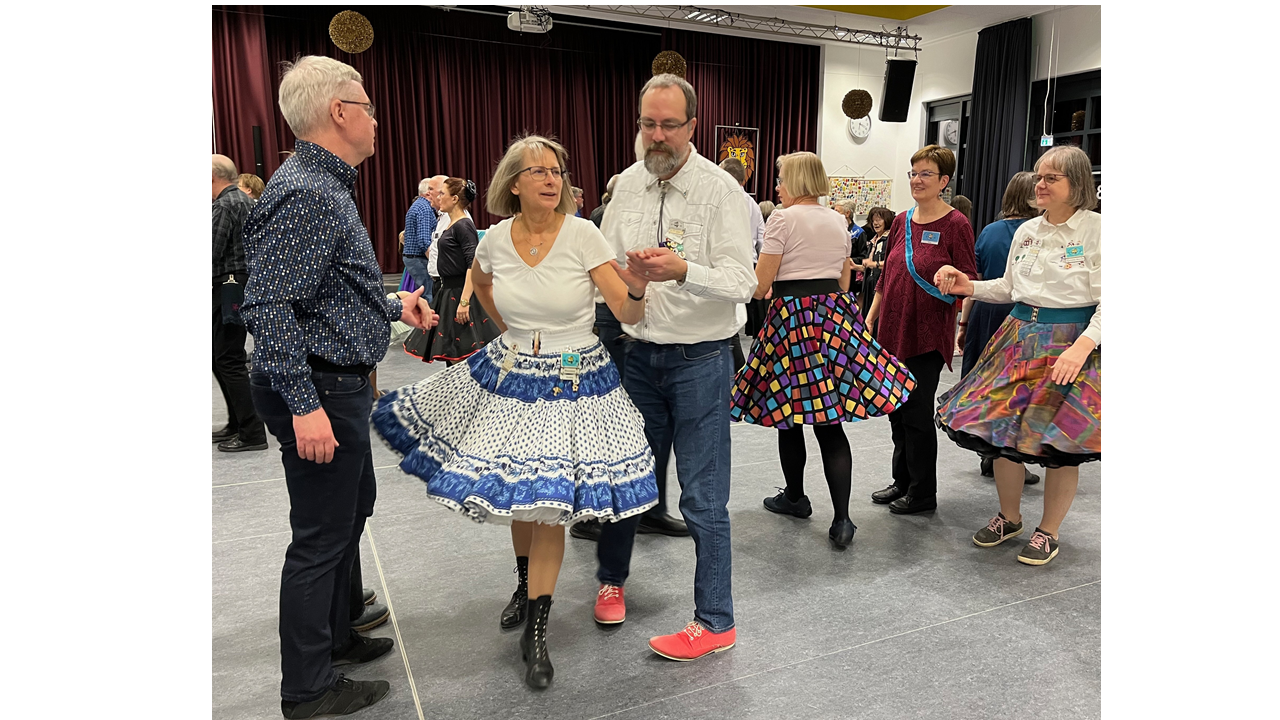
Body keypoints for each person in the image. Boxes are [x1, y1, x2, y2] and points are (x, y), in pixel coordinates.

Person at [372, 134, 659, 689]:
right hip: (515, 375)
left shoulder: (583, 234)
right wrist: (508, 333)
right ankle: (524, 584)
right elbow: (479, 284)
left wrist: (640, 285)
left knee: (548, 500)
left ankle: (538, 626)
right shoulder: (496, 238)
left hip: (575, 379)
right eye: (538, 171)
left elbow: (624, 309)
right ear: (514, 183)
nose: (552, 179)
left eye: (556, 171)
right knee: (523, 498)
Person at [241, 55, 436, 719]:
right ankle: (307, 689)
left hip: (336, 381)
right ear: (339, 112)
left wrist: (390, 306)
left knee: (348, 519)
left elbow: (325, 289)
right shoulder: (307, 191)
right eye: (368, 104)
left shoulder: (323, 186)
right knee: (321, 538)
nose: (376, 117)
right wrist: (305, 408)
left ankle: (338, 639)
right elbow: (267, 307)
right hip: (319, 388)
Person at [593, 73, 755, 660]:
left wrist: (683, 270)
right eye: (647, 124)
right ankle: (611, 579)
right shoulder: (628, 185)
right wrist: (625, 281)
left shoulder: (721, 192)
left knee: (703, 498)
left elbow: (744, 282)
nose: (656, 136)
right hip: (636, 356)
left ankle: (715, 621)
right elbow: (604, 263)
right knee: (627, 479)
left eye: (668, 125)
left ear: (692, 126)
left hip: (701, 362)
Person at [732, 152, 915, 549]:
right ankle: (843, 519)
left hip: (791, 319)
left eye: (780, 179)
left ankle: (795, 497)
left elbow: (762, 284)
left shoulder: (781, 218)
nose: (777, 186)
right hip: (833, 317)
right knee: (829, 420)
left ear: (796, 180)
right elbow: (844, 274)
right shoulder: (837, 219)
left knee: (789, 412)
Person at [932, 145, 1101, 567]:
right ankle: (1009, 517)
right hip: (1018, 336)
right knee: (1000, 432)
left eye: (1051, 179)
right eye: (1038, 176)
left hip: (1070, 343)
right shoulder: (1027, 231)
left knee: (1058, 442)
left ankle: (1049, 531)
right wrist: (966, 285)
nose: (1039, 185)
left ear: (1077, 184)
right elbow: (1008, 288)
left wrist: (1084, 346)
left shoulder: (1099, 231)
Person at [864, 145, 976, 515]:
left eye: (926, 173)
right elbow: (886, 275)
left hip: (927, 333)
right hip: (891, 331)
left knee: (915, 411)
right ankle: (902, 481)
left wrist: (952, 280)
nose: (917, 179)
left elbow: (969, 278)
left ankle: (923, 492)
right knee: (895, 410)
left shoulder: (956, 223)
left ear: (944, 181)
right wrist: (870, 317)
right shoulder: (900, 220)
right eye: (913, 172)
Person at [958, 172, 1042, 485]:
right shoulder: (1037, 232)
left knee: (988, 385)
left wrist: (964, 323)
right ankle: (1012, 457)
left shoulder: (990, 232)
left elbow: (975, 281)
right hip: (1022, 316)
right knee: (1019, 389)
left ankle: (989, 452)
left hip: (985, 311)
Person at [212, 154, 268, 452]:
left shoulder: (224, 205)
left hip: (227, 286)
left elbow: (211, 250)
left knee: (228, 359)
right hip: (239, 284)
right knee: (223, 357)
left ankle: (251, 430)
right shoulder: (245, 201)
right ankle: (239, 422)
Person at [411, 177, 500, 364]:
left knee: (464, 353)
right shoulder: (451, 223)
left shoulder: (463, 225)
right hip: (448, 292)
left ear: (455, 199)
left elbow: (473, 265)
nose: (437, 196)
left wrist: (465, 301)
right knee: (452, 352)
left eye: (442, 193)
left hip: (459, 293)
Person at [718, 156, 763, 369]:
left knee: (730, 318)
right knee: (738, 320)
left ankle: (738, 367)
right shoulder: (753, 204)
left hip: (729, 267)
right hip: (750, 265)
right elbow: (762, 240)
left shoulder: (724, 199)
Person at [403, 178, 437, 300]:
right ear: (429, 193)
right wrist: (434, 261)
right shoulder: (425, 209)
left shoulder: (418, 205)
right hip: (419, 259)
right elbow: (423, 240)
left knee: (426, 294)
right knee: (429, 296)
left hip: (414, 258)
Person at [858, 207, 895, 317]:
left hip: (881, 286)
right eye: (873, 220)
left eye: (879, 220)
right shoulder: (873, 241)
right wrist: (855, 266)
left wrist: (874, 264)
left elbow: (893, 264)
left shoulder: (890, 240)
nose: (875, 223)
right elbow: (869, 266)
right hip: (869, 285)